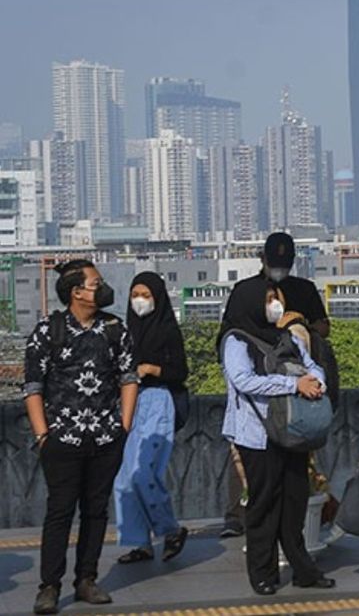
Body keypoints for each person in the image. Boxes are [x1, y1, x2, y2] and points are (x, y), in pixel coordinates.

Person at [25, 260, 139, 615]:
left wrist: (124, 425)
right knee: (59, 512)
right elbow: (33, 388)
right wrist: (43, 435)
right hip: (62, 439)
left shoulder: (115, 329)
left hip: (106, 437)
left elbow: (129, 378)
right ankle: (50, 585)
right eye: (95, 283)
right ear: (76, 292)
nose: (101, 288)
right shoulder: (49, 331)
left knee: (96, 510)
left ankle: (86, 579)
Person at [220, 282, 333, 596]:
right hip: (257, 433)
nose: (275, 306)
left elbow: (312, 367)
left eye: (276, 300)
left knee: (295, 500)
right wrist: (294, 386)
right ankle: (262, 572)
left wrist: (315, 382)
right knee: (264, 502)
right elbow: (243, 380)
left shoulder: (285, 337)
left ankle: (303, 569)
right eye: (269, 300)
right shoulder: (236, 340)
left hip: (291, 429)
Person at [218, 232, 333, 538]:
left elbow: (323, 328)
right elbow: (231, 340)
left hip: (299, 392)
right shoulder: (246, 292)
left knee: (300, 460)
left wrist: (299, 326)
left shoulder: (303, 289)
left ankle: (301, 520)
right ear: (263, 260)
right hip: (260, 394)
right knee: (246, 461)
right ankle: (237, 515)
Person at [113, 272, 189, 565]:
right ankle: (140, 542)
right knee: (123, 479)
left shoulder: (167, 331)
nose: (139, 301)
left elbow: (180, 371)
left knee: (143, 472)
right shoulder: (126, 330)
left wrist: (152, 369)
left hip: (158, 399)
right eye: (135, 295)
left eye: (145, 295)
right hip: (130, 401)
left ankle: (170, 530)